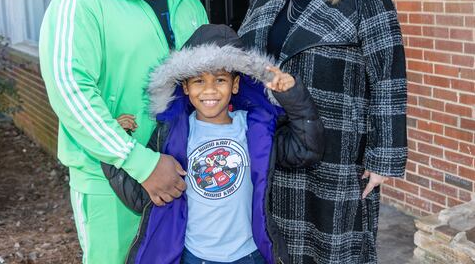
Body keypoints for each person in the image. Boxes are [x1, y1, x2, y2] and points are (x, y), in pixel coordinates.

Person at [38, 0, 208, 263]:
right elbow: (72, 92)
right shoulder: (82, 0)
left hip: (180, 175)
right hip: (109, 178)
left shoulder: (189, 5)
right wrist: (141, 164)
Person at [237, 0, 407, 264]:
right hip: (272, 149)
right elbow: (243, 63)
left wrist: (382, 160)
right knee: (272, 245)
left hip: (337, 155)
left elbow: (388, 82)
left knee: (333, 251)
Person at [102, 24, 325, 264]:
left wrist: (293, 96)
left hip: (249, 256)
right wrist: (115, 146)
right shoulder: (173, 135)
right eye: (198, 80)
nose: (209, 90)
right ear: (185, 87)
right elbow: (141, 197)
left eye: (220, 79)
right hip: (194, 257)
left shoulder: (254, 129)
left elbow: (307, 150)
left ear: (235, 84)